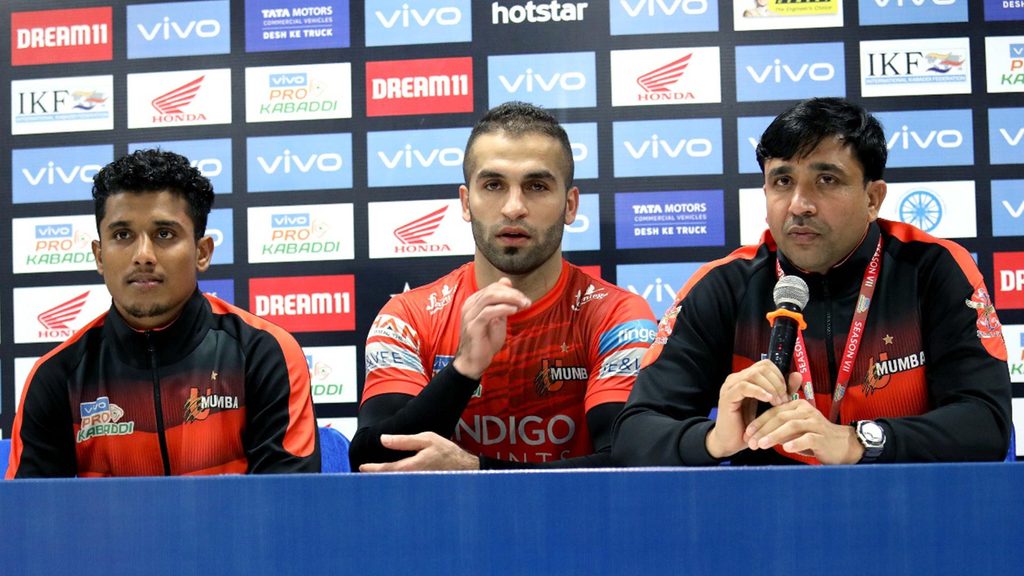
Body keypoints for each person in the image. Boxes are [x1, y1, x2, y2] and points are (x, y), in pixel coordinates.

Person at [612, 97, 1012, 466]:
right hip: (771, 521)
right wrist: (714, 440)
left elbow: (986, 423)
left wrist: (857, 441)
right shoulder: (724, 286)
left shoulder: (931, 268)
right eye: (782, 181)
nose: (799, 205)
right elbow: (634, 435)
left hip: (906, 515)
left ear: (873, 199)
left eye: (826, 180)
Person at [350, 101, 657, 471]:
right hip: (450, 528)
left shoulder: (617, 317)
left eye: (537, 186)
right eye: (493, 185)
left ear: (570, 205)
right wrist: (464, 369)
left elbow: (629, 464)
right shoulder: (408, 318)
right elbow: (371, 461)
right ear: (466, 202)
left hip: (576, 527)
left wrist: (477, 471)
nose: (513, 207)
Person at [6, 149, 320, 477]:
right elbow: (31, 520)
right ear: (99, 256)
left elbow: (287, 511)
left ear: (202, 252)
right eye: (122, 235)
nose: (143, 255)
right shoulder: (58, 375)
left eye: (164, 234)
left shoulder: (263, 353)